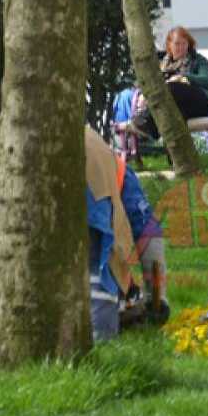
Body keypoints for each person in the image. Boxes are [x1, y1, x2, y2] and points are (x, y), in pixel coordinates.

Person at [85, 127, 170, 342]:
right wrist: (157, 299)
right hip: (94, 178)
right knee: (100, 266)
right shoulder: (123, 174)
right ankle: (101, 342)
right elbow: (149, 238)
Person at [129, 26, 208, 141]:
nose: (181, 48)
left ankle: (145, 120)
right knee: (173, 119)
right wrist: (144, 94)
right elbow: (145, 83)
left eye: (184, 44)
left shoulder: (198, 60)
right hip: (179, 108)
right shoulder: (163, 64)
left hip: (201, 102)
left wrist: (182, 77)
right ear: (169, 45)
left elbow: (207, 80)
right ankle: (155, 132)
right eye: (177, 44)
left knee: (171, 87)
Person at [111, 84, 143, 164]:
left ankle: (123, 165)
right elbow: (134, 108)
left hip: (118, 121)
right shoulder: (133, 94)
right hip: (129, 121)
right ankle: (138, 163)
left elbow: (114, 107)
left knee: (123, 148)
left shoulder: (118, 95)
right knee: (134, 143)